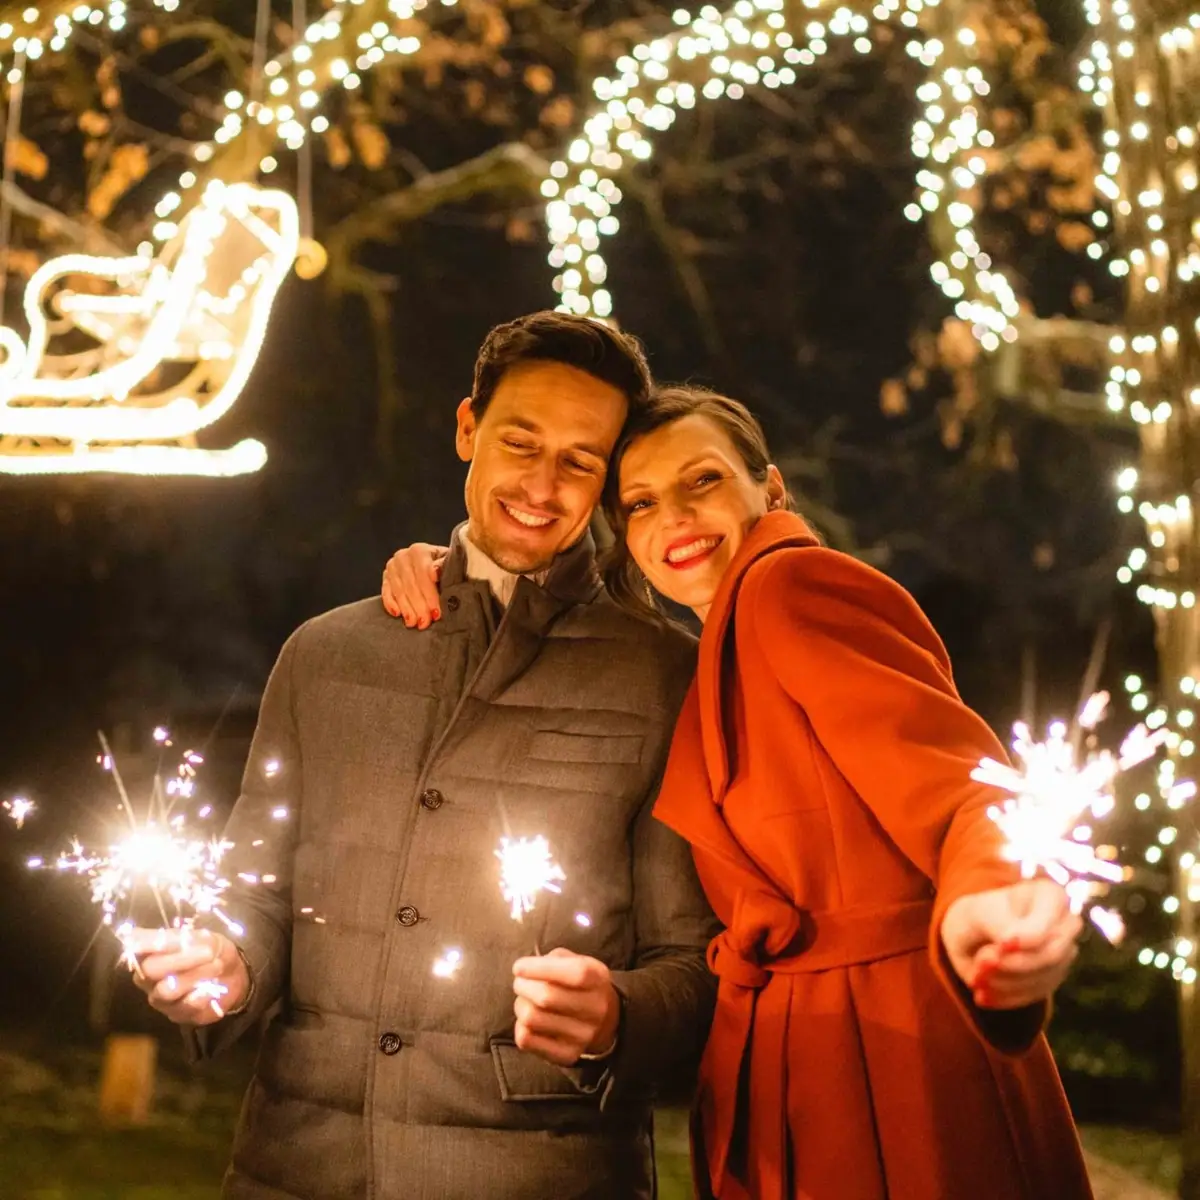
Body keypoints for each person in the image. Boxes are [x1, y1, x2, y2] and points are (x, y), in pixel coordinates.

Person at [382, 384, 1095, 1199]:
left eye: (704, 481)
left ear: (773, 489)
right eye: (640, 502)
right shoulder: (713, 644)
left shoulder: (791, 589)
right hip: (809, 1058)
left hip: (890, 1059)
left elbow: (966, 787)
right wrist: (454, 565)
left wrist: (989, 898)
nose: (673, 519)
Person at [127, 313, 719, 1200]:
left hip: (539, 1173)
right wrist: (223, 964)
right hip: (299, 1166)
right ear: (466, 429)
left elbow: (692, 961)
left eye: (580, 461)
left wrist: (615, 1017)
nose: (542, 485)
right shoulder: (326, 656)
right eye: (520, 443)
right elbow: (255, 896)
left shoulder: (663, 678)